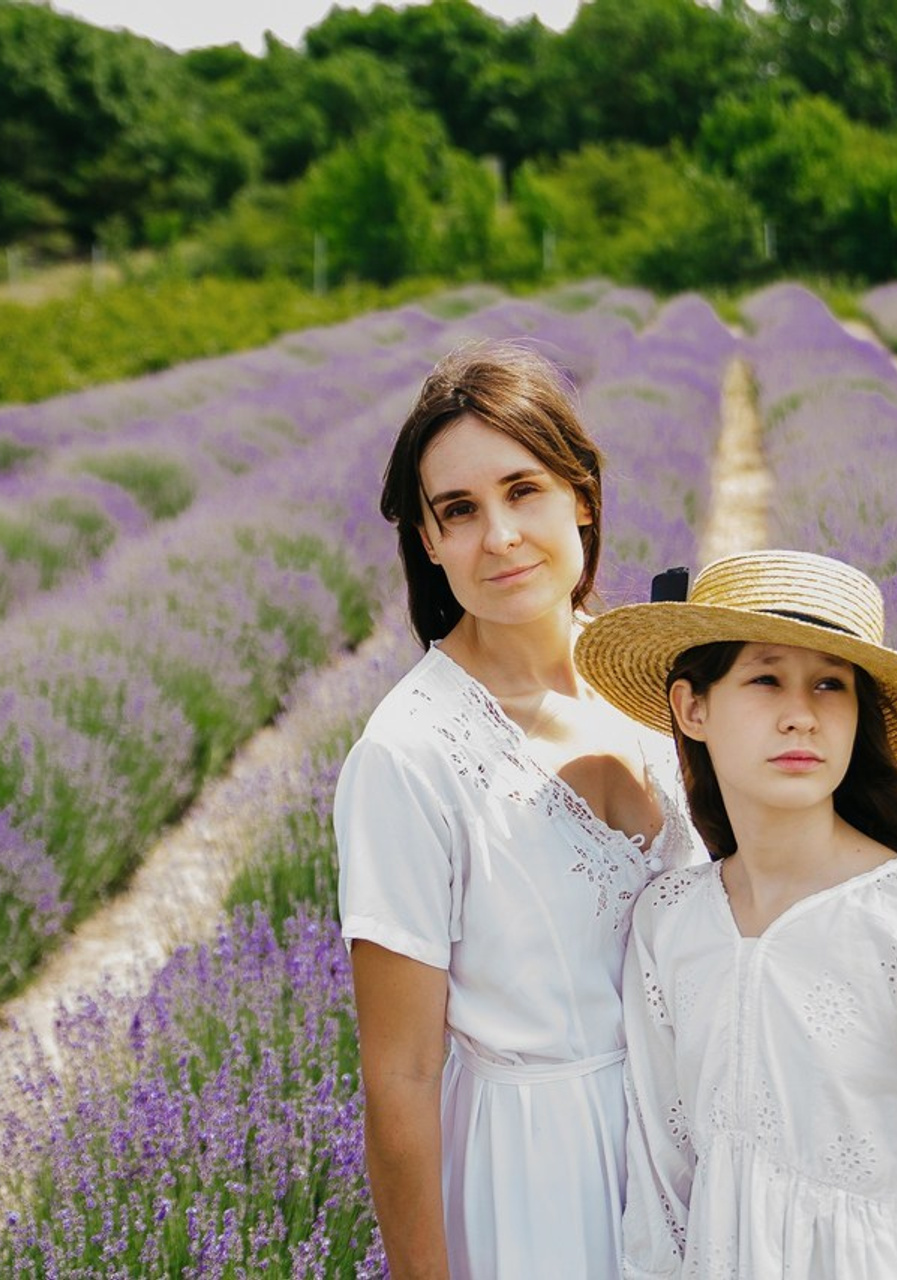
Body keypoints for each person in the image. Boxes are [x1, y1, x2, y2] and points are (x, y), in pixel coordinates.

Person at [573, 548, 897, 1279]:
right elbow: (664, 1181)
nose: (801, 716)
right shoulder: (670, 921)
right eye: (765, 677)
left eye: (830, 684)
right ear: (694, 708)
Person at [334, 342, 707, 1279]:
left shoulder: (665, 684)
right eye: (458, 511)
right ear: (428, 541)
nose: (497, 534)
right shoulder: (409, 753)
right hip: (538, 1173)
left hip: (698, 1143)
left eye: (523, 489)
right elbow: (402, 1076)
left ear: (582, 493)